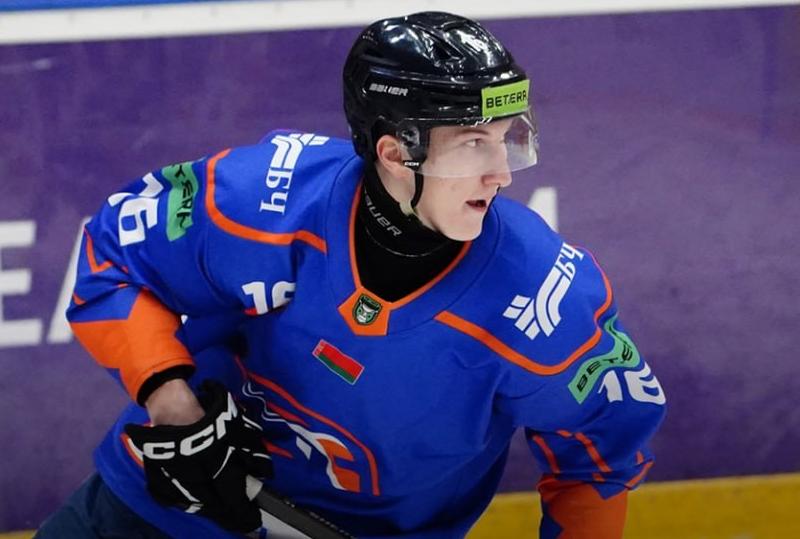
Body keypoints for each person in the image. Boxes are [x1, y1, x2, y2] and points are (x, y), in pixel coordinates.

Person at [38, 11, 666, 539]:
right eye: (474, 143)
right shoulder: (263, 199)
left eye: (507, 139)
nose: (501, 173)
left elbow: (599, 456)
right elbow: (111, 259)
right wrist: (171, 402)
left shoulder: (543, 295)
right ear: (395, 152)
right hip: (161, 510)